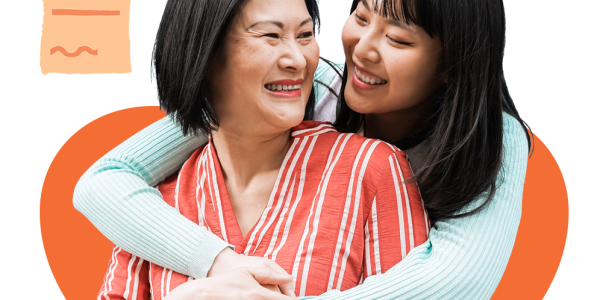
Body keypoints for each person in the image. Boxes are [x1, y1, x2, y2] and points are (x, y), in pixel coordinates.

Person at [74, 0, 532, 299]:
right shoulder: (311, 80)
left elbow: (459, 280)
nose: (362, 49)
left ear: (451, 66)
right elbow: (107, 179)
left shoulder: (488, 138)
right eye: (361, 16)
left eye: (397, 39)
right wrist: (214, 266)